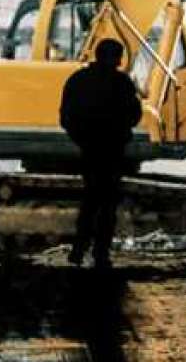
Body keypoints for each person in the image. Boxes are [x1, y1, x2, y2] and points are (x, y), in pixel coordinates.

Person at [59, 38, 143, 269]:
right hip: (113, 151)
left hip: (90, 150)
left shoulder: (78, 80)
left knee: (89, 201)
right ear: (117, 58)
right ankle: (100, 253)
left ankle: (78, 251)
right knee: (107, 205)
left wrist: (83, 139)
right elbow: (135, 115)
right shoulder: (122, 83)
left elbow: (66, 117)